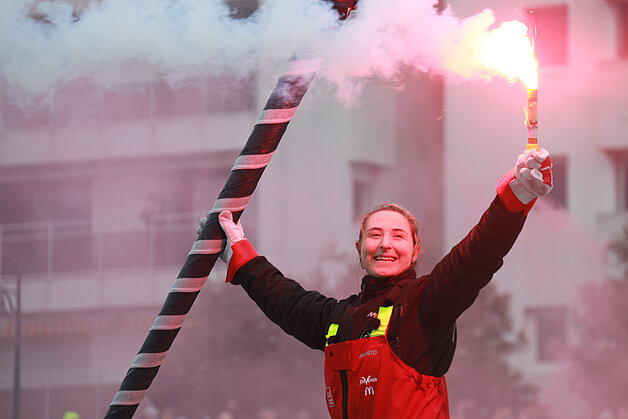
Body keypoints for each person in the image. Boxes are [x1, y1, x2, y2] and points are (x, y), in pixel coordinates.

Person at [207, 148, 553, 419]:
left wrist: (513, 199)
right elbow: (286, 301)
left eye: (398, 236)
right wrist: (240, 252)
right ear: (359, 248)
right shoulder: (338, 320)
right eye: (375, 235)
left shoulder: (425, 304)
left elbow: (476, 256)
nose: (386, 244)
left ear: (415, 251)